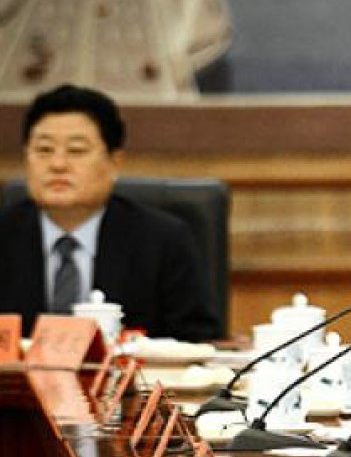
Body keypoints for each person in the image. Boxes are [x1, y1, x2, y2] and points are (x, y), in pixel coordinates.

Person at [0, 84, 222, 342]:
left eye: (76, 150)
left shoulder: (162, 241)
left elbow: (198, 342)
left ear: (115, 162)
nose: (57, 164)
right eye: (44, 150)